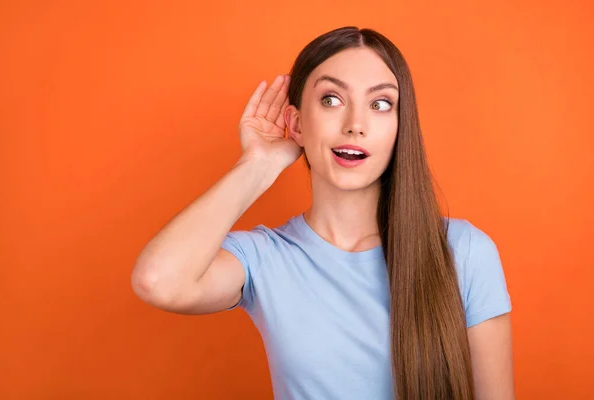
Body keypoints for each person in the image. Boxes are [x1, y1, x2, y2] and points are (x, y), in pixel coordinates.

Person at [131, 26, 514, 400]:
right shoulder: (264, 257)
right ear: (296, 124)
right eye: (332, 100)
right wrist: (258, 164)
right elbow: (158, 281)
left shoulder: (463, 251)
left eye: (381, 104)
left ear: (400, 127)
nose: (355, 126)